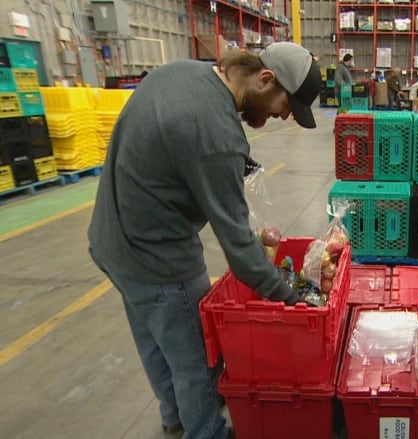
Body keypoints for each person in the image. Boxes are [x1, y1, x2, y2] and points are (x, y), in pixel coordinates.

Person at [87, 42, 322, 439]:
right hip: (159, 257)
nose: (282, 116)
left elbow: (183, 172)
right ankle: (205, 431)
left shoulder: (181, 72)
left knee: (157, 340)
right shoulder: (218, 134)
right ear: (265, 79)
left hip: (111, 241)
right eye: (285, 105)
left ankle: (175, 416)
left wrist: (246, 232)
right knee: (197, 359)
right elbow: (244, 261)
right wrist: (300, 298)